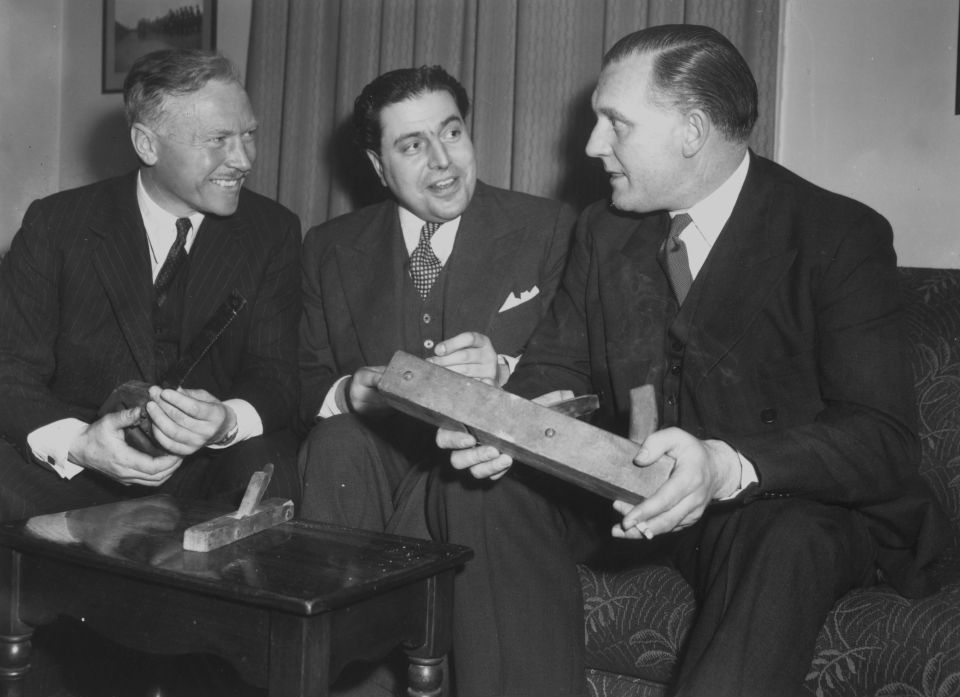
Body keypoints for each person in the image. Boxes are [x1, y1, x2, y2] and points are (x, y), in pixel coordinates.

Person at [433, 24, 948, 697]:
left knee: (787, 535)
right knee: (480, 490)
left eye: (615, 124)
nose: (592, 145)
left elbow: (882, 440)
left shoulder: (838, 235)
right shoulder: (604, 228)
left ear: (692, 131)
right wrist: (508, 427)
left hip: (776, 504)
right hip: (635, 489)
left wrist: (726, 464)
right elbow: (553, 372)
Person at [0, 48, 302, 522]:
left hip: (208, 473)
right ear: (147, 144)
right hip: (77, 471)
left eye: (249, 135)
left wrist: (225, 421)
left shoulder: (273, 230)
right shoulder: (56, 223)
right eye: (218, 139)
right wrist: (78, 445)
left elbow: (277, 377)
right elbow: (10, 368)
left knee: (273, 469)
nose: (243, 159)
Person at [297, 65, 576, 536]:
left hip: (495, 474)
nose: (443, 159)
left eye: (451, 132)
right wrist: (349, 395)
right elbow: (299, 381)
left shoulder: (549, 228)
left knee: (466, 485)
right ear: (377, 165)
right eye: (412, 146)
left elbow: (578, 370)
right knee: (338, 441)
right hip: (372, 470)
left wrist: (504, 373)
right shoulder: (329, 248)